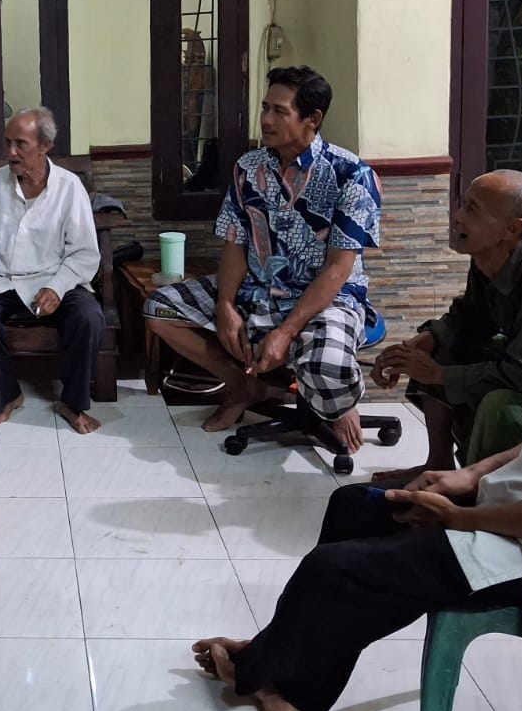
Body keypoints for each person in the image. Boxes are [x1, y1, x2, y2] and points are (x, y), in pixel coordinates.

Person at [191, 119, 522, 711]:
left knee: (335, 572)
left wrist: (464, 517)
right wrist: (466, 477)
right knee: (352, 508)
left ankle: (258, 668)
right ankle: (289, 681)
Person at [144, 67, 383, 451]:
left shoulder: (351, 175)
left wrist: (285, 332)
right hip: (259, 288)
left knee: (327, 366)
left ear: (312, 118)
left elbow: (338, 269)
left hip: (328, 298)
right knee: (160, 308)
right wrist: (225, 305)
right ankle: (243, 386)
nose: (266, 120)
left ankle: (340, 405)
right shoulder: (248, 168)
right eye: (264, 108)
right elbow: (236, 244)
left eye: (279, 111)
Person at [372, 169, 522, 479]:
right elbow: (468, 322)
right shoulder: (487, 258)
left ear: (512, 228)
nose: (457, 217)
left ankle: (475, 489)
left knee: (500, 404)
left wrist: (438, 375)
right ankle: (437, 463)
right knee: (440, 348)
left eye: (472, 210)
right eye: (463, 204)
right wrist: (414, 347)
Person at [0, 107, 104, 433]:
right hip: (2, 278)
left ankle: (72, 403)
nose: (11, 152)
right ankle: (7, 395)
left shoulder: (69, 188)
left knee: (89, 316)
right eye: (7, 142)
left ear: (45, 146)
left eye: (20, 144)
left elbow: (84, 254)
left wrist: (57, 287)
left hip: (54, 278)